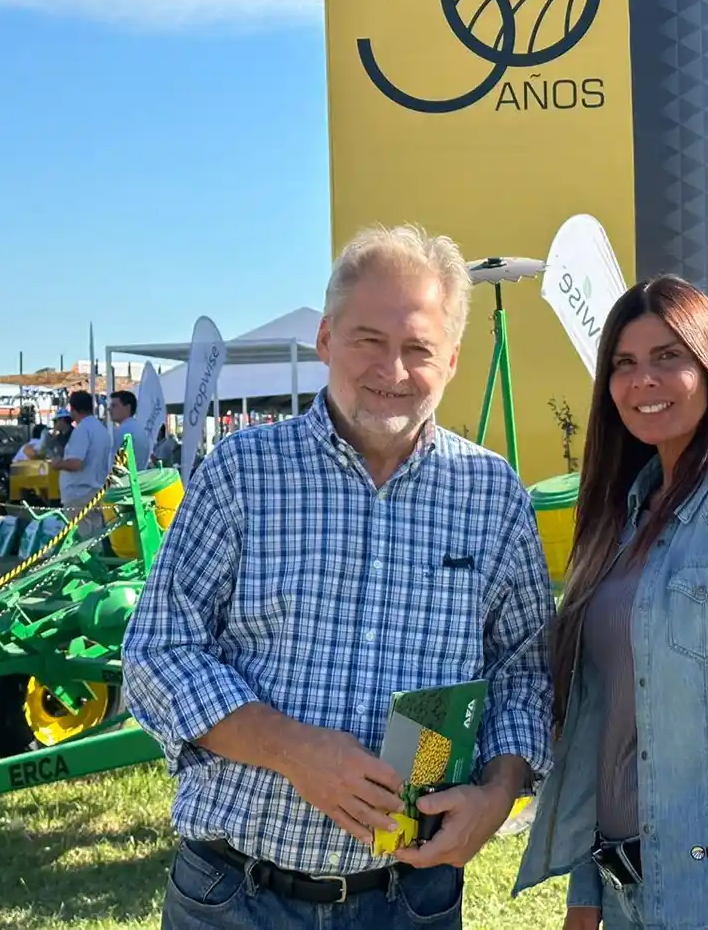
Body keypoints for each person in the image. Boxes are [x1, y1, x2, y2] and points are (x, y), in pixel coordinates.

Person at [121, 223, 555, 930]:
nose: (393, 368)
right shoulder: (242, 474)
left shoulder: (492, 494)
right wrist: (297, 751)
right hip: (237, 895)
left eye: (418, 347)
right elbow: (157, 651)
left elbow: (525, 669)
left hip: (410, 897)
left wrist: (498, 794)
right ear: (326, 339)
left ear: (450, 359)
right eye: (368, 339)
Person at [513, 274, 708, 930]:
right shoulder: (618, 520)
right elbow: (599, 724)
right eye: (624, 365)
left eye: (669, 357)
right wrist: (585, 897)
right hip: (622, 890)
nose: (644, 382)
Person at [46, 390, 111, 540]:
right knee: (94, 537)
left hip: (79, 493)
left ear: (72, 409)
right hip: (95, 489)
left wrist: (58, 464)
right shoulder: (101, 429)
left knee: (82, 541)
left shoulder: (82, 430)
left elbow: (75, 463)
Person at [108, 388, 150, 467]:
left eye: (114, 406)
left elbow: (117, 464)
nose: (109, 409)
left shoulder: (125, 430)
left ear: (127, 407)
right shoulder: (135, 427)